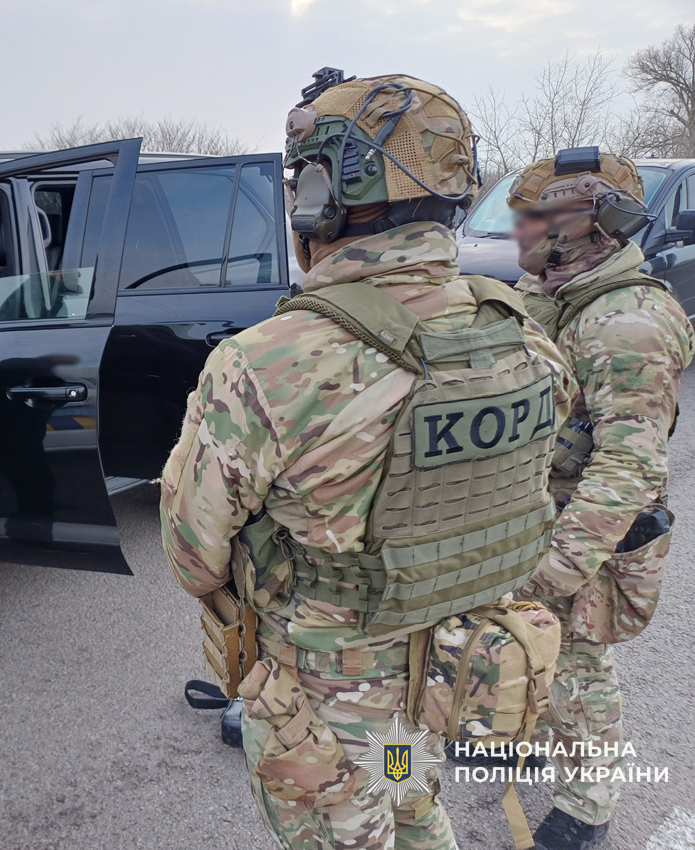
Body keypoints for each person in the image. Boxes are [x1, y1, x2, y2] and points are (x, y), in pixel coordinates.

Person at [160, 73, 576, 850]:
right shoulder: (521, 332)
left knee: (347, 832)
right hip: (445, 672)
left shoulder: (268, 362)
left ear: (322, 197)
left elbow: (192, 558)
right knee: (410, 794)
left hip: (326, 703)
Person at [508, 150, 694, 850]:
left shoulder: (628, 321)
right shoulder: (549, 297)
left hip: (588, 532)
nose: (519, 232)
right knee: (527, 649)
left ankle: (587, 806)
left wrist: (559, 565)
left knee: (578, 668)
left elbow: (628, 464)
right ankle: (522, 741)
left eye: (534, 218)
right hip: (538, 515)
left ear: (586, 226)